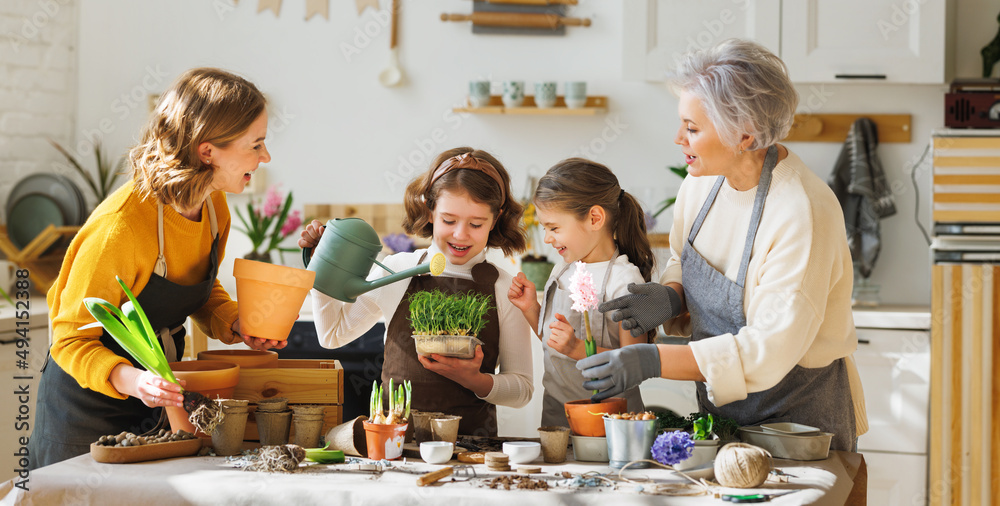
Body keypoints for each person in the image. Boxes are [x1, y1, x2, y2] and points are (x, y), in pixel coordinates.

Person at [579, 39, 867, 451]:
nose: (678, 138)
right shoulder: (700, 185)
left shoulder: (801, 211)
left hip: (799, 426)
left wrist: (654, 359)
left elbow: (769, 347)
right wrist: (672, 297)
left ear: (745, 135)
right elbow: (684, 257)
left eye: (693, 129)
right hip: (722, 417)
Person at [29, 68, 286, 469]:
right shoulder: (122, 227)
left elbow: (200, 286)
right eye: (256, 145)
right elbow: (68, 339)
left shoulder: (214, 208)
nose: (265, 156)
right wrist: (135, 381)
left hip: (156, 403)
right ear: (208, 152)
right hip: (83, 414)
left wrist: (236, 322)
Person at [302, 147, 533, 437]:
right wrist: (320, 269)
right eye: (449, 220)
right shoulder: (397, 269)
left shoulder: (504, 287)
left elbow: (522, 390)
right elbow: (332, 335)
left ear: (496, 218)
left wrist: (474, 380)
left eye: (476, 224)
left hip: (470, 453)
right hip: (391, 447)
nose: (460, 234)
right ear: (429, 209)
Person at [507, 159, 654, 426]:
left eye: (554, 228)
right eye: (544, 228)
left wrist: (576, 348)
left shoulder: (626, 281)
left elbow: (636, 365)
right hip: (556, 416)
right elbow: (553, 342)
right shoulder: (563, 270)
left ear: (594, 218)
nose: (548, 238)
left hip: (611, 421)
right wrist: (530, 308)